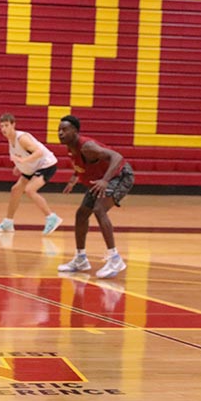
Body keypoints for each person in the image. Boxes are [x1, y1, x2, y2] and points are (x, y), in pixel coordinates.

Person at [55, 114, 135, 279]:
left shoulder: (87, 147)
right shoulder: (71, 148)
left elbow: (117, 157)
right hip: (99, 179)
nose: (60, 133)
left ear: (75, 131)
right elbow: (81, 166)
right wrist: (73, 179)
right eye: (59, 130)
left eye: (65, 129)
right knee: (82, 214)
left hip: (119, 175)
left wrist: (105, 181)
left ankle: (115, 258)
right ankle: (80, 259)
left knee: (99, 209)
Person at [0, 113, 63, 235]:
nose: (3, 129)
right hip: (33, 167)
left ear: (13, 125)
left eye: (6, 125)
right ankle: (8, 222)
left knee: (30, 190)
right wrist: (18, 166)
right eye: (1, 126)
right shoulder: (10, 139)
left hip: (46, 164)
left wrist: (23, 161)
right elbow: (23, 154)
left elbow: (38, 152)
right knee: (16, 190)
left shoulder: (21, 138)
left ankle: (52, 217)